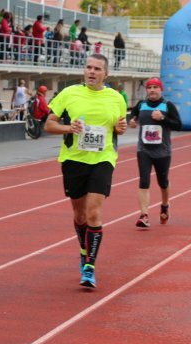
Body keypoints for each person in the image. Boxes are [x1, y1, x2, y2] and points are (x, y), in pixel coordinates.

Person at [44, 54, 127, 288]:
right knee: (80, 215)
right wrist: (68, 127)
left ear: (106, 74)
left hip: (103, 159)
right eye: (88, 67)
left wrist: (120, 128)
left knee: (93, 213)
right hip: (74, 160)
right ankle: (84, 249)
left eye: (97, 69)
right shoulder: (69, 93)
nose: (91, 72)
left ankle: (89, 266)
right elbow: (49, 124)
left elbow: (118, 128)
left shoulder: (116, 98)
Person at [129, 77, 182, 228]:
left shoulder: (167, 106)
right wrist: (132, 122)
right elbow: (133, 118)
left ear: (161, 90)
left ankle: (165, 205)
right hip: (144, 149)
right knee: (144, 181)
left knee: (162, 182)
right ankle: (144, 215)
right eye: (149, 87)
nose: (152, 90)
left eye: (155, 87)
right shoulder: (141, 105)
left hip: (162, 151)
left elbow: (178, 125)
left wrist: (162, 118)